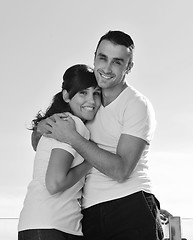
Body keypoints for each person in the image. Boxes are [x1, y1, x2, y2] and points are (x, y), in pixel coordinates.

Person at [34, 31, 164, 239]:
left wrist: (72, 138)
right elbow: (40, 142)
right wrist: (41, 128)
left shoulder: (136, 104)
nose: (106, 68)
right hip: (89, 212)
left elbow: (121, 170)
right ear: (94, 57)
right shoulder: (87, 104)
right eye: (102, 58)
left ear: (128, 67)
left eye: (117, 62)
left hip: (130, 204)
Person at [18, 64, 101, 240]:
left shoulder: (63, 122)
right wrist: (91, 160)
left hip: (46, 224)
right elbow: (54, 183)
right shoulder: (71, 124)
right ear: (66, 95)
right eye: (83, 93)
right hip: (50, 226)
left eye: (96, 93)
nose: (92, 101)